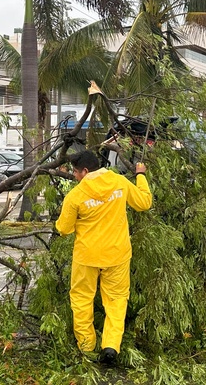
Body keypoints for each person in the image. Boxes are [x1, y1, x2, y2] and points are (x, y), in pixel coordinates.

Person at [55, 150, 152, 365]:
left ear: (86, 171)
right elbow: (144, 202)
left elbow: (63, 228)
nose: (75, 176)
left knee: (81, 300)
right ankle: (110, 346)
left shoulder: (76, 196)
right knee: (117, 300)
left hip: (86, 256)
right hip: (117, 254)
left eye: (76, 173)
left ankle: (86, 347)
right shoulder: (119, 182)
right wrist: (141, 175)